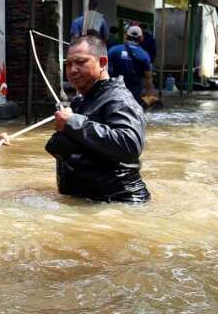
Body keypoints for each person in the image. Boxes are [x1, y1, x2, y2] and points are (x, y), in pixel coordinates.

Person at [45, 35, 150, 203]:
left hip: (120, 204)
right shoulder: (81, 100)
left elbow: (130, 144)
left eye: (80, 62)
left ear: (102, 63)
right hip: (87, 204)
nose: (72, 70)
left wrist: (72, 122)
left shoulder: (119, 99)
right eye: (68, 64)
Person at [107, 25, 154, 105]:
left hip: (115, 90)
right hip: (134, 94)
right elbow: (148, 77)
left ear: (126, 36)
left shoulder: (114, 50)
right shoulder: (144, 55)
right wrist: (149, 95)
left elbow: (102, 66)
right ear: (141, 38)